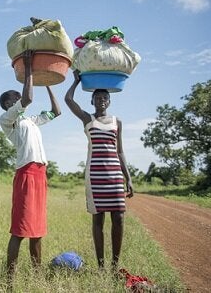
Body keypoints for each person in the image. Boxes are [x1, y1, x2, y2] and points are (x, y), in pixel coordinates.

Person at [0, 50, 61, 286]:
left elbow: (57, 111)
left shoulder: (32, 121)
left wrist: (47, 82)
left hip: (40, 174)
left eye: (15, 99)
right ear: (8, 106)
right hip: (25, 174)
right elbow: (27, 99)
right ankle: (10, 279)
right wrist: (27, 68)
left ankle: (37, 275)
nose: (15, 102)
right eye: (11, 101)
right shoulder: (7, 120)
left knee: (37, 230)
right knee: (19, 230)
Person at [64, 70, 134, 272]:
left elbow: (120, 151)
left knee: (119, 217)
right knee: (98, 220)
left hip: (114, 176)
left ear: (109, 101)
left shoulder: (116, 122)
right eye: (98, 98)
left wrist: (128, 178)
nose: (101, 100)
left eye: (105, 98)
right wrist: (76, 81)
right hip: (95, 176)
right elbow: (68, 99)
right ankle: (101, 266)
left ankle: (114, 265)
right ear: (92, 101)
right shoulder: (88, 119)